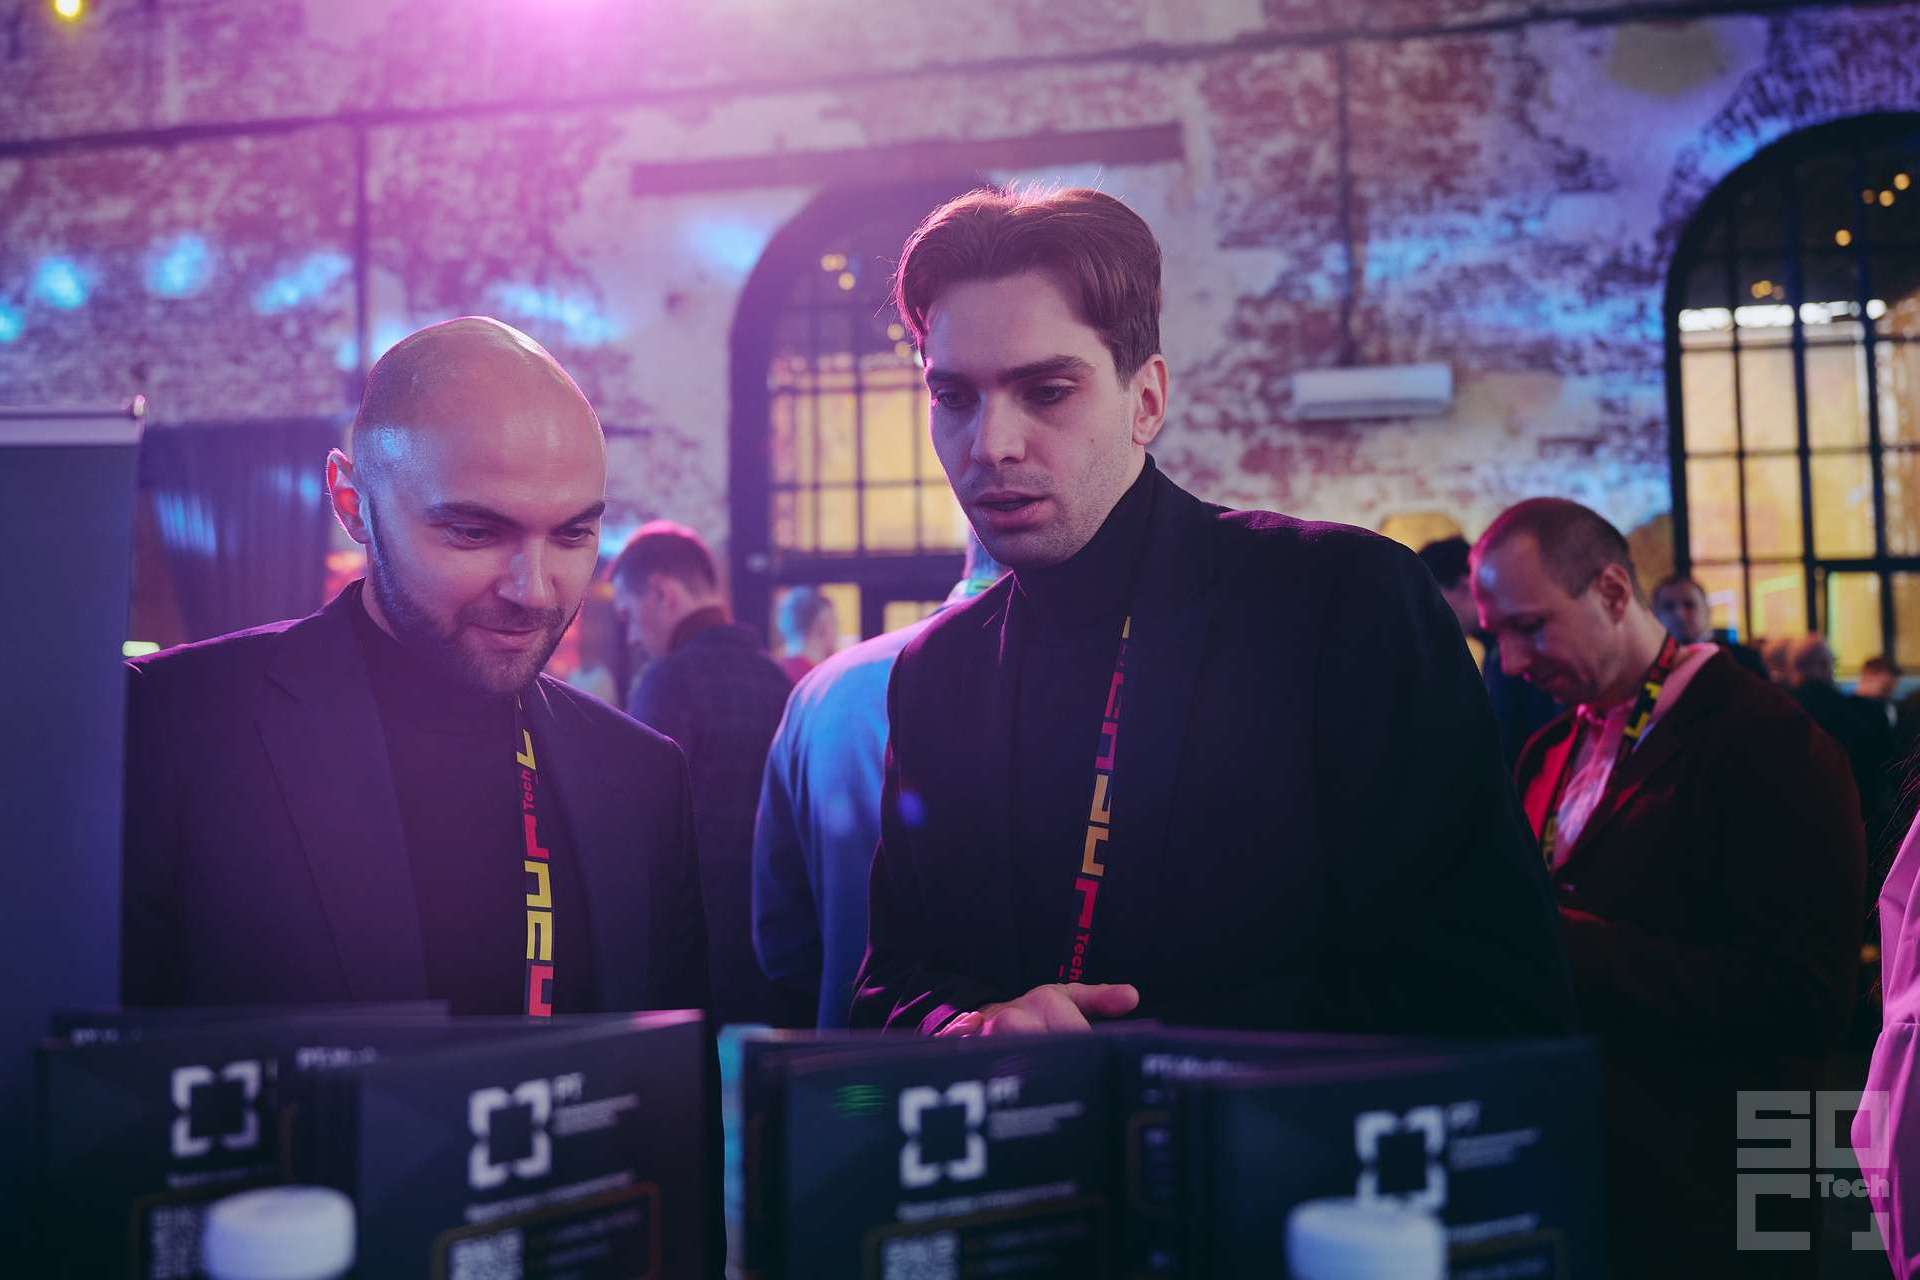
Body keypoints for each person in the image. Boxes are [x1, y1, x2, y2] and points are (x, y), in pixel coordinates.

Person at [851, 186, 1572, 1039]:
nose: (990, 445)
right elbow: (890, 983)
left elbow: (1492, 988)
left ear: (1147, 401)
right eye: (953, 398)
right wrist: (964, 1029)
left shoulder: (1339, 603)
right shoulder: (940, 670)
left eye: (1046, 391)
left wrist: (1139, 1058)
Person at [121, 318, 711, 1018]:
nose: (534, 590)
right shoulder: (174, 729)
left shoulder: (641, 778)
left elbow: (672, 1079)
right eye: (474, 532)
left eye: (573, 533)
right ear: (353, 504)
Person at [1473, 497, 1864, 1277]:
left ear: (1614, 592)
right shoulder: (1548, 749)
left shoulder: (1772, 741)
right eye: (1496, 636)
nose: (1511, 663)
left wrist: (1564, 942)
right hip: (1594, 1168)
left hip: (1736, 1181)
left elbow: (1810, 1000)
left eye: (1531, 627)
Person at [753, 537, 1004, 1028]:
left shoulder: (824, 688)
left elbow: (783, 943)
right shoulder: (1089, 685)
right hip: (1016, 1058)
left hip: (844, 1053)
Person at [613, 522, 807, 1028]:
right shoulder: (779, 681)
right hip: (775, 962)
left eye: (629, 615)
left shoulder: (667, 682)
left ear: (661, 593)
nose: (632, 636)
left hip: (694, 967)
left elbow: (637, 838)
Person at [1417, 534, 1559, 767]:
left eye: (1433, 603)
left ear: (1465, 585)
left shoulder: (1519, 650)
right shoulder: (1493, 650)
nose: (1430, 617)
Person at [1649, 573, 1768, 679]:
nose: (1680, 614)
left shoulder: (1743, 659)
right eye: (1669, 607)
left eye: (1689, 605)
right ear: (1655, 615)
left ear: (1707, 610)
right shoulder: (1650, 665)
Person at [774, 587, 839, 683]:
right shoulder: (821, 679)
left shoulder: (775, 670)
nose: (836, 632)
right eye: (834, 623)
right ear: (823, 624)